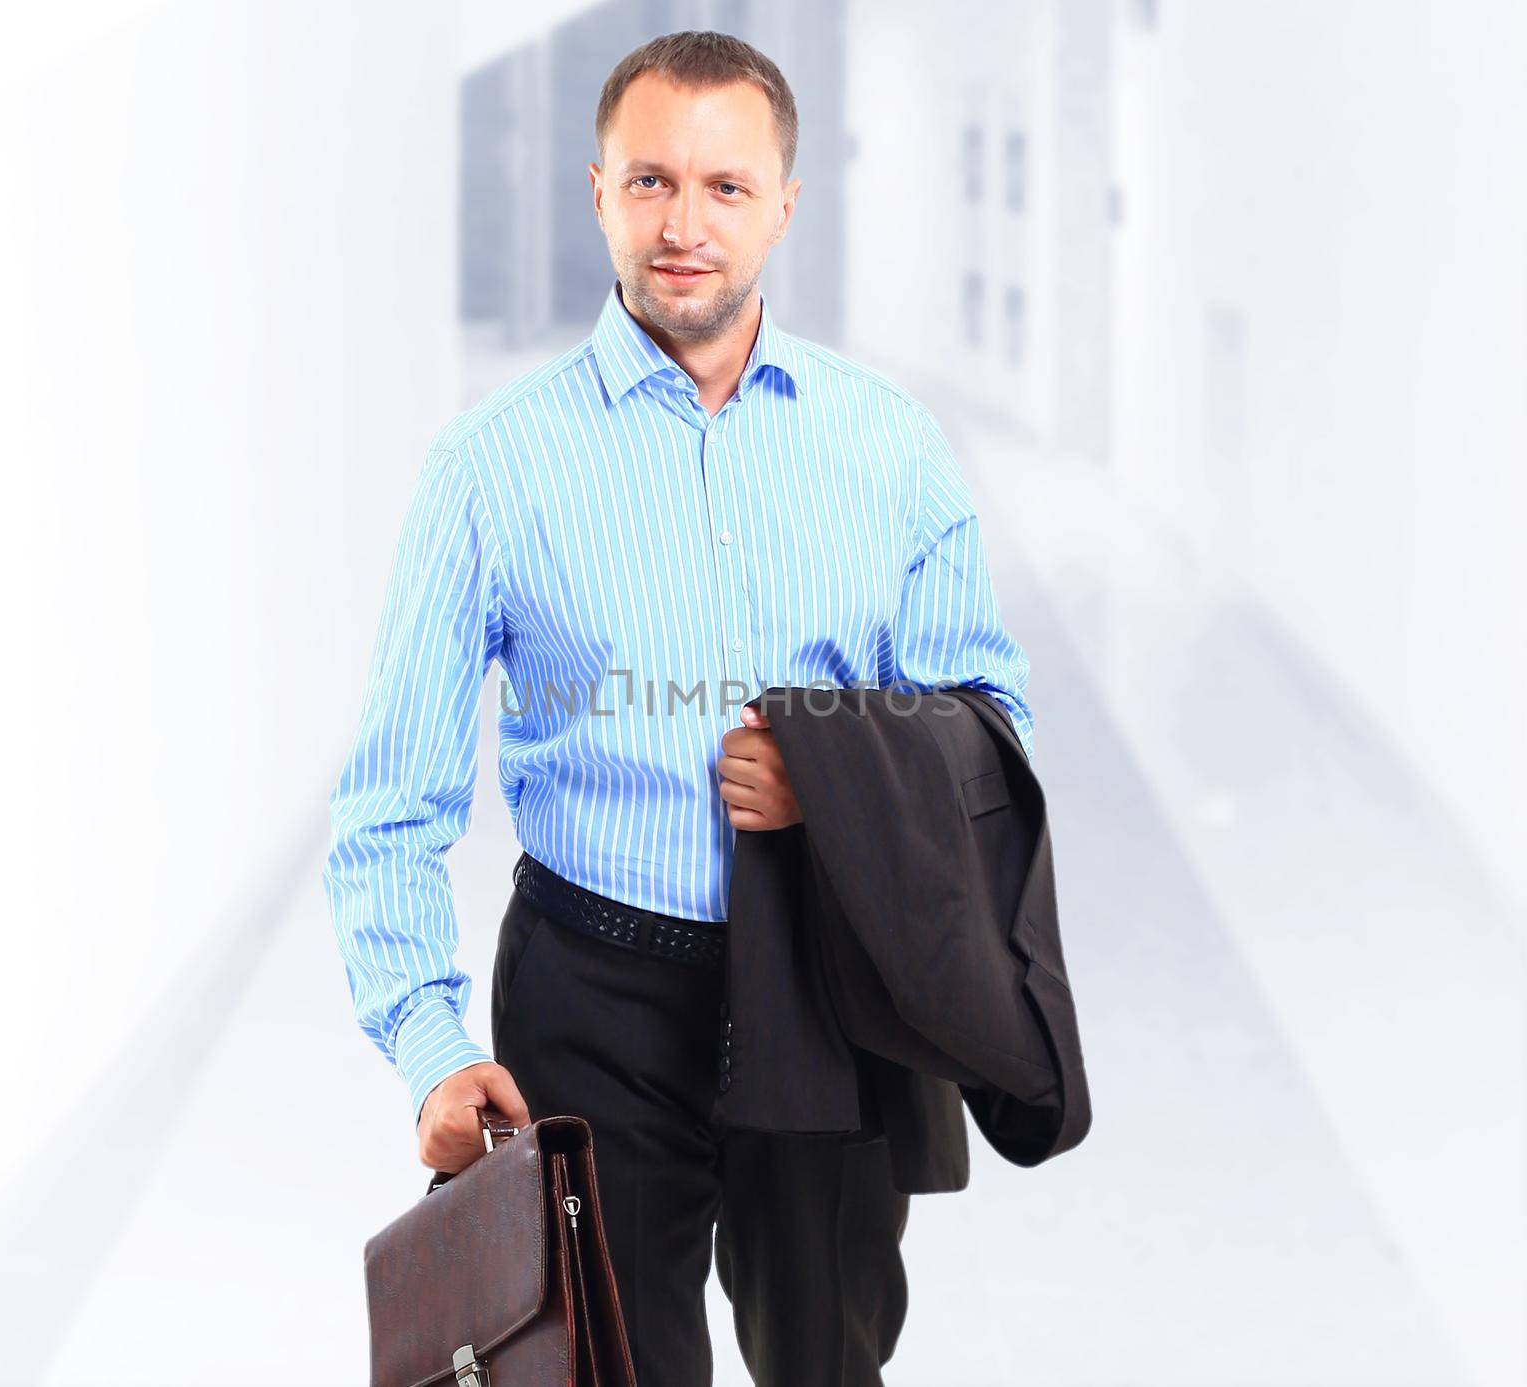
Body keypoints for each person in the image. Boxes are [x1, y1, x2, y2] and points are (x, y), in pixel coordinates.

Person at [323, 28, 1034, 1385]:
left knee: (826, 1360)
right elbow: (390, 802)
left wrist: (838, 779)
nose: (684, 224)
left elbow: (995, 725)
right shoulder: (491, 466)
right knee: (601, 1369)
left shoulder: (890, 448)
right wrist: (428, 1043)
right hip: (590, 997)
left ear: (784, 205)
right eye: (650, 181)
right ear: (597, 192)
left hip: (827, 988)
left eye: (724, 186)